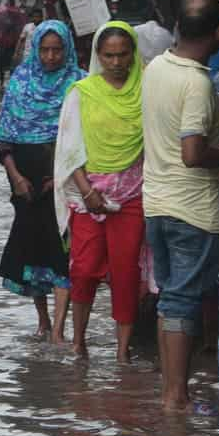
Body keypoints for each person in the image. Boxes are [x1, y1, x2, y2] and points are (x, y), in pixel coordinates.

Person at [141, 0, 219, 412]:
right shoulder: (198, 83)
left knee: (170, 298)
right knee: (181, 301)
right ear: (218, 33)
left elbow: (176, 131)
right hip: (191, 210)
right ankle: (176, 397)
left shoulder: (156, 67)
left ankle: (172, 393)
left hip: (156, 204)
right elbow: (193, 153)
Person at [53, 21, 146, 361]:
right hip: (87, 195)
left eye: (123, 55)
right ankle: (79, 341)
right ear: (98, 56)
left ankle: (122, 350)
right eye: (109, 56)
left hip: (132, 194)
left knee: (126, 272)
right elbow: (70, 148)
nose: (116, 63)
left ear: (133, 54)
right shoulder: (82, 92)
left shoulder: (147, 90)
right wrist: (87, 191)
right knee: (83, 269)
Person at [0, 20, 85, 341]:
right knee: (33, 250)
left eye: (57, 50)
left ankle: (59, 330)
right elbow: (4, 140)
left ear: (67, 49)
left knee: (62, 251)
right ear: (35, 50)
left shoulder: (79, 84)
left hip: (66, 180)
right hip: (26, 183)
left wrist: (60, 178)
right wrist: (17, 177)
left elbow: (85, 139)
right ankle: (43, 321)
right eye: (45, 50)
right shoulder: (20, 82)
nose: (50, 56)